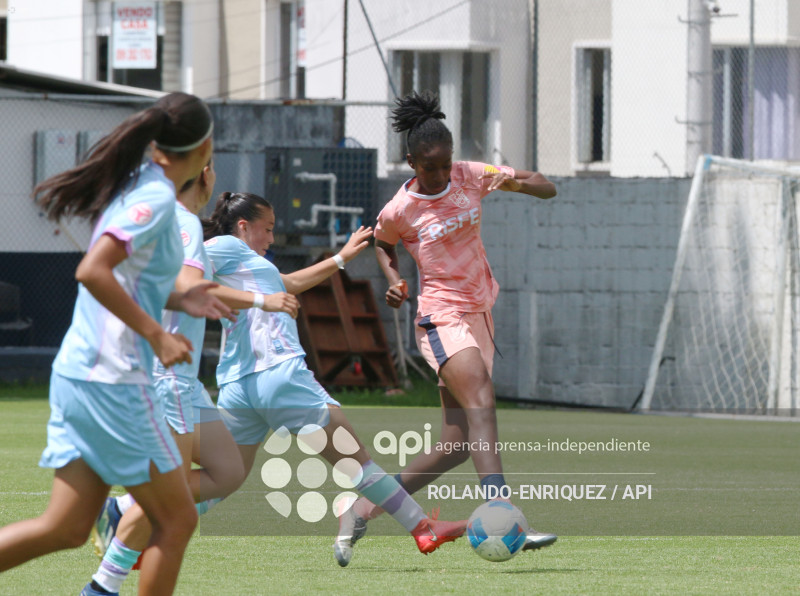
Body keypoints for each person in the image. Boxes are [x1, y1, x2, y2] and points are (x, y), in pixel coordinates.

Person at [0, 92, 232, 596]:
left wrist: (181, 298)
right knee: (175, 521)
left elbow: (129, 279)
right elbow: (93, 270)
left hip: (83, 376)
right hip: (113, 383)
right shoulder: (152, 200)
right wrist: (156, 333)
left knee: (64, 527)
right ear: (205, 147)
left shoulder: (144, 190)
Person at [334, 90, 559, 567]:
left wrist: (527, 182)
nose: (438, 175)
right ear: (411, 160)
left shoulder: (469, 177)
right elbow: (383, 242)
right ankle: (504, 511)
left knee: (456, 443)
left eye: (444, 164)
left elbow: (536, 183)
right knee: (481, 399)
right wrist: (395, 281)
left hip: (479, 313)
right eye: (428, 167)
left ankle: (360, 509)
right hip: (440, 315)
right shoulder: (401, 208)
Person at [202, 191, 467, 561]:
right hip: (280, 376)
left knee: (222, 479)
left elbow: (288, 284)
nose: (273, 238)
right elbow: (183, 274)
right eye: (268, 229)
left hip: (238, 386)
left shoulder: (246, 262)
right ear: (244, 227)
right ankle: (423, 529)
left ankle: (138, 522)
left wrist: (341, 258)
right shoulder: (222, 246)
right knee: (357, 464)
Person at [83, 162, 301, 595]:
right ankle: (103, 585)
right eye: (211, 164)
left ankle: (121, 510)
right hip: (169, 378)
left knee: (228, 470)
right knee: (171, 500)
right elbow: (186, 286)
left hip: (181, 380)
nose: (216, 172)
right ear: (202, 172)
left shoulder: (163, 220)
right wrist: (258, 300)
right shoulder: (182, 224)